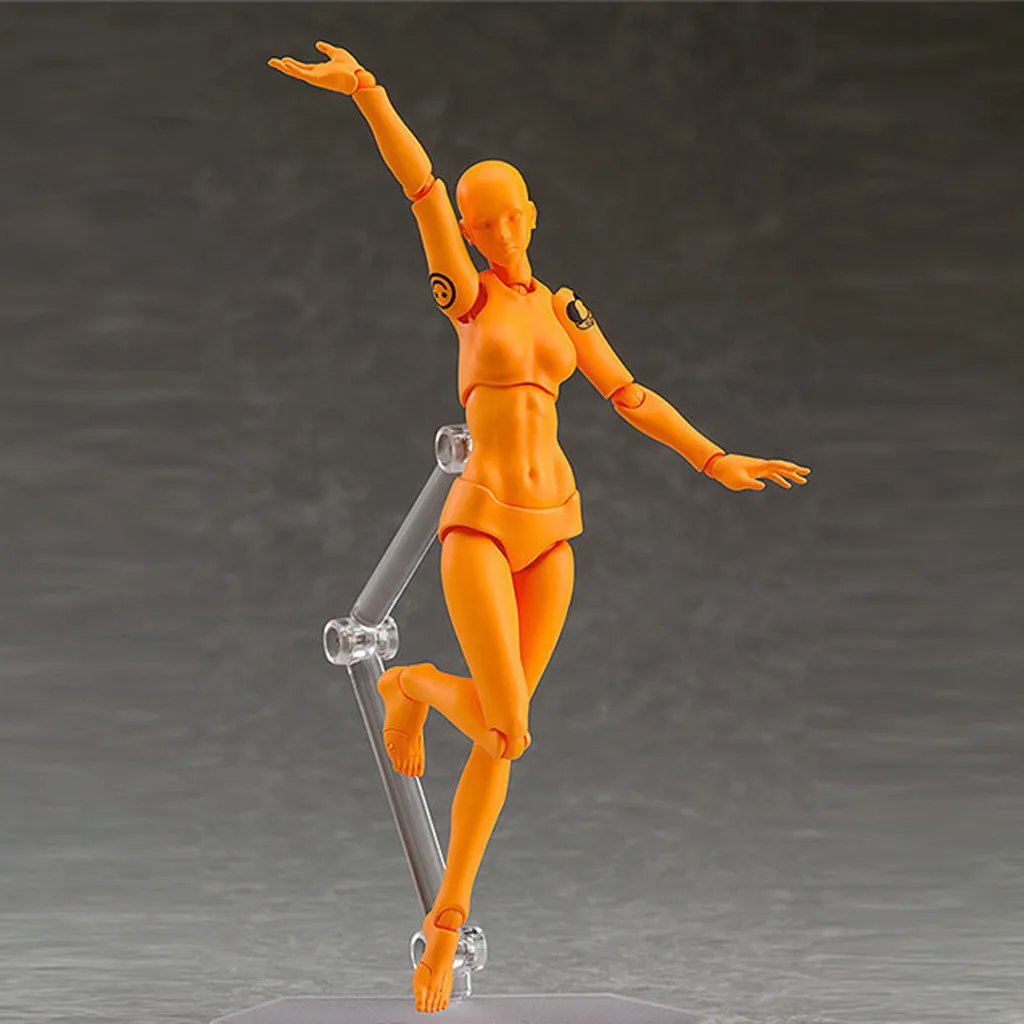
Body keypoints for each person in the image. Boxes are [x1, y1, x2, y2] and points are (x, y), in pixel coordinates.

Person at [270, 42, 810, 1014]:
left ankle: (444, 923)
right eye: (478, 223)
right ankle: (413, 686)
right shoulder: (468, 299)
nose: (492, 232)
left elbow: (628, 393)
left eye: (504, 216)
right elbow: (420, 190)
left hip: (553, 531)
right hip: (479, 523)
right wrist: (368, 94)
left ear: (530, 215)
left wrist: (712, 456)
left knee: (498, 743)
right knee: (507, 726)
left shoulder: (565, 310)